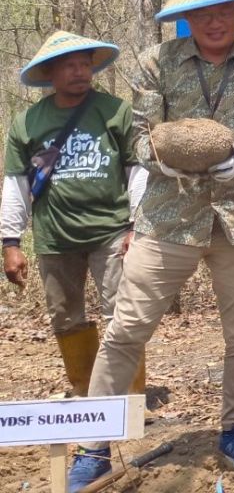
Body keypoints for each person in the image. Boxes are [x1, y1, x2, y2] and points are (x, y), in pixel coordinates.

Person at [69, 0, 234, 491]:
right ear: (185, 16)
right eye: (202, 12)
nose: (214, 20)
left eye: (224, 9)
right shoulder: (157, 61)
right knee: (126, 328)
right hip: (169, 216)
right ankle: (95, 444)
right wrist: (160, 160)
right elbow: (141, 134)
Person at [2, 31, 147, 398]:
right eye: (70, 65)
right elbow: (16, 184)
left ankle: (129, 398)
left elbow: (137, 171)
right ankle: (85, 394)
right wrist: (11, 242)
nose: (80, 71)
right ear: (50, 72)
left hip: (112, 230)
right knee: (65, 317)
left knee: (123, 313)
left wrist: (137, 225)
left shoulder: (115, 111)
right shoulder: (28, 123)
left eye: (85, 64)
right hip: (55, 235)